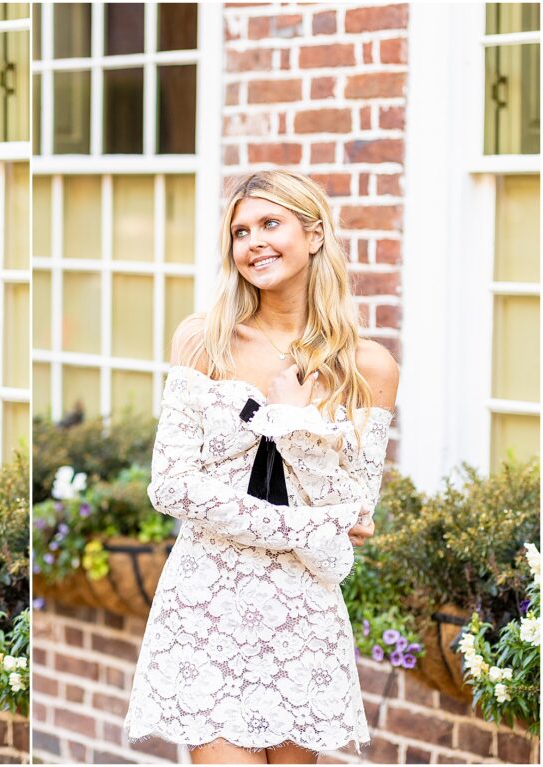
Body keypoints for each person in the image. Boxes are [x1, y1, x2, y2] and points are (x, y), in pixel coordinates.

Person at [124, 169, 399, 764]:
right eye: (240, 231)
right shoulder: (205, 340)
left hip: (303, 605)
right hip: (208, 597)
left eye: (270, 224)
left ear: (316, 233)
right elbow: (172, 486)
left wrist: (296, 426)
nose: (253, 243)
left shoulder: (368, 367)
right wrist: (306, 527)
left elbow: (353, 508)